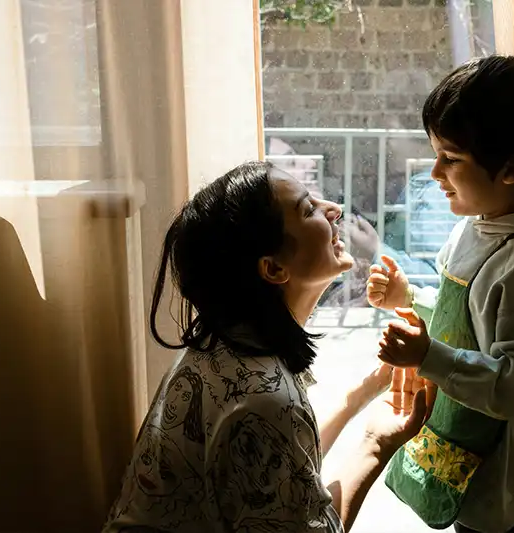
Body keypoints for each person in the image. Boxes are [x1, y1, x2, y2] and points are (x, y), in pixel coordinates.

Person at [102, 161, 430, 533]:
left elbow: (277, 471)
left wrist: (361, 395)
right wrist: (376, 444)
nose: (334, 209)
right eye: (308, 209)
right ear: (273, 269)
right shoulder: (266, 397)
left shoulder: (220, 343)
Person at [366, 55, 514, 533]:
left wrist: (428, 356)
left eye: (451, 158)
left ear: (512, 167)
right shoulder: (475, 228)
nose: (435, 171)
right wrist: (411, 299)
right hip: (461, 454)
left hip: (501, 484)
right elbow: (467, 320)